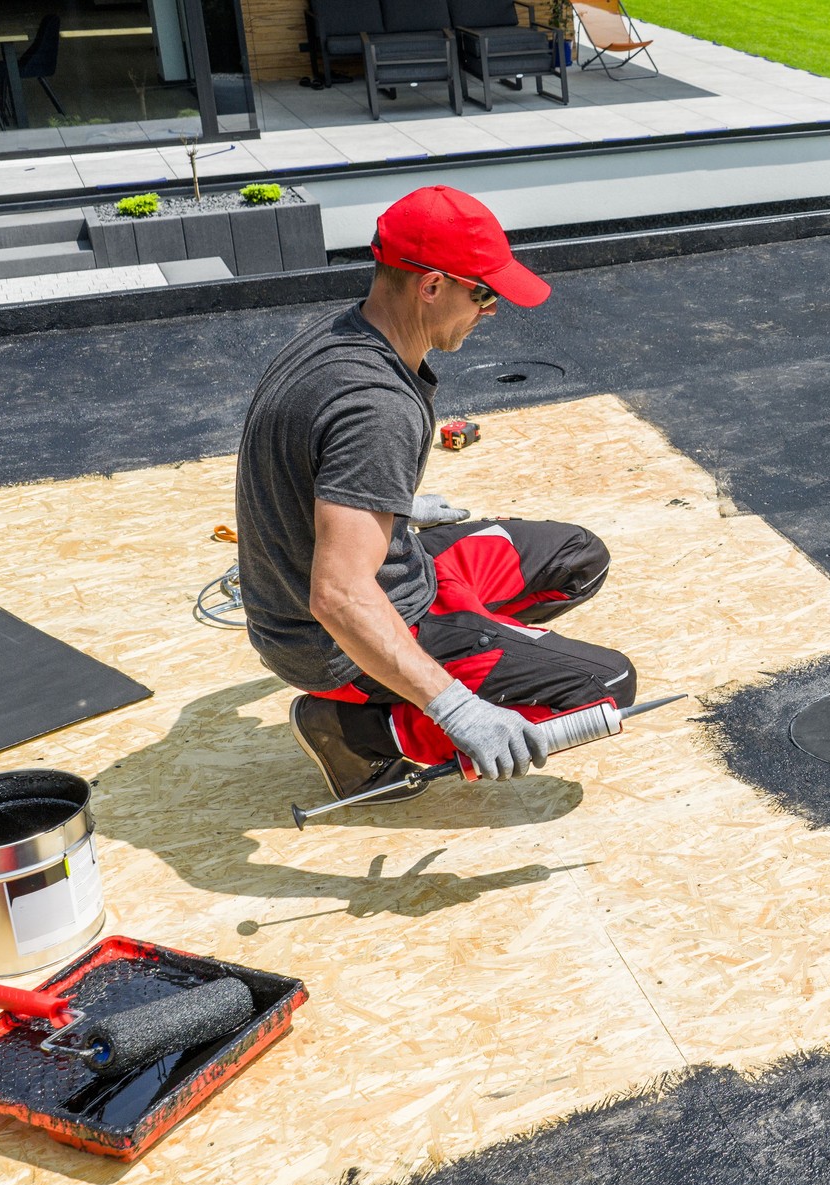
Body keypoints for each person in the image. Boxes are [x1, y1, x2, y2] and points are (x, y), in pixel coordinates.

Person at [234, 185, 637, 804]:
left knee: (578, 557)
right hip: (335, 645)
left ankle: (472, 651)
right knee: (607, 685)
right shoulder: (376, 405)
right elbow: (340, 595)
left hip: (392, 576)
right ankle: (357, 728)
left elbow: (296, 470)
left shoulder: (344, 337)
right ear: (431, 286)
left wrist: (386, 504)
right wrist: (456, 709)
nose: (490, 311)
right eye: (484, 294)